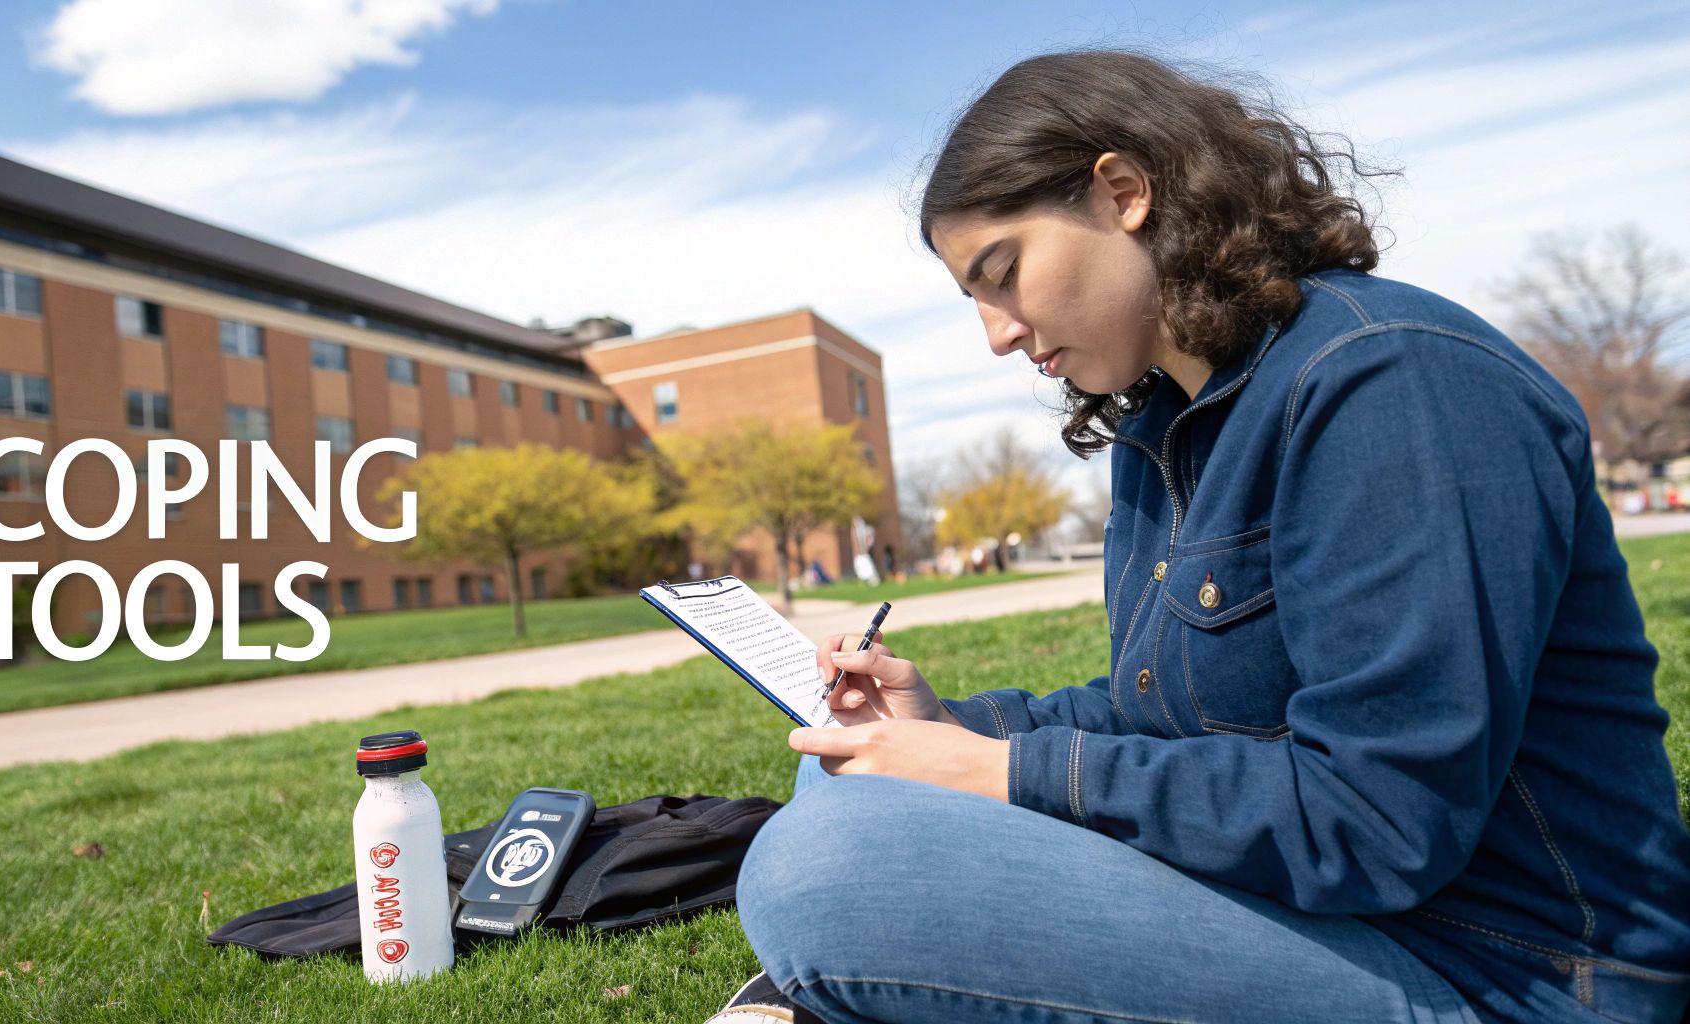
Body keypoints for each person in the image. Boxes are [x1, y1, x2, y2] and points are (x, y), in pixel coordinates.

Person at [706, 48, 1690, 1024]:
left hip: (1508, 971)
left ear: (1122, 191)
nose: (995, 334)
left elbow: (1382, 819)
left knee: (821, 871)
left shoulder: (1387, 381)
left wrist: (994, 771)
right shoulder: (1160, 429)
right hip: (1352, 920)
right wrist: (947, 724)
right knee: (840, 772)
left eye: (1001, 274)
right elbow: (1163, 712)